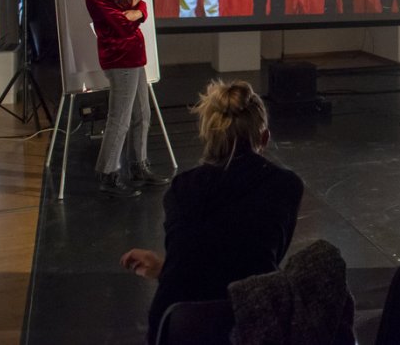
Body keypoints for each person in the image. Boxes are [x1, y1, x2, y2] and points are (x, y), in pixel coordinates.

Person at [120, 80, 304, 344]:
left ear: (208, 136)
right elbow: (251, 269)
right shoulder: (286, 187)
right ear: (264, 138)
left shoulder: (181, 190)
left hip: (178, 329)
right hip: (253, 324)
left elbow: (207, 270)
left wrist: (166, 269)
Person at [79, 0, 170, 198]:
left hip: (135, 58)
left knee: (142, 114)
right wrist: (134, 13)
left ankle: (138, 166)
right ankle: (108, 174)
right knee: (120, 118)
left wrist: (137, 12)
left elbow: (141, 6)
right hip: (121, 61)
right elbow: (122, 24)